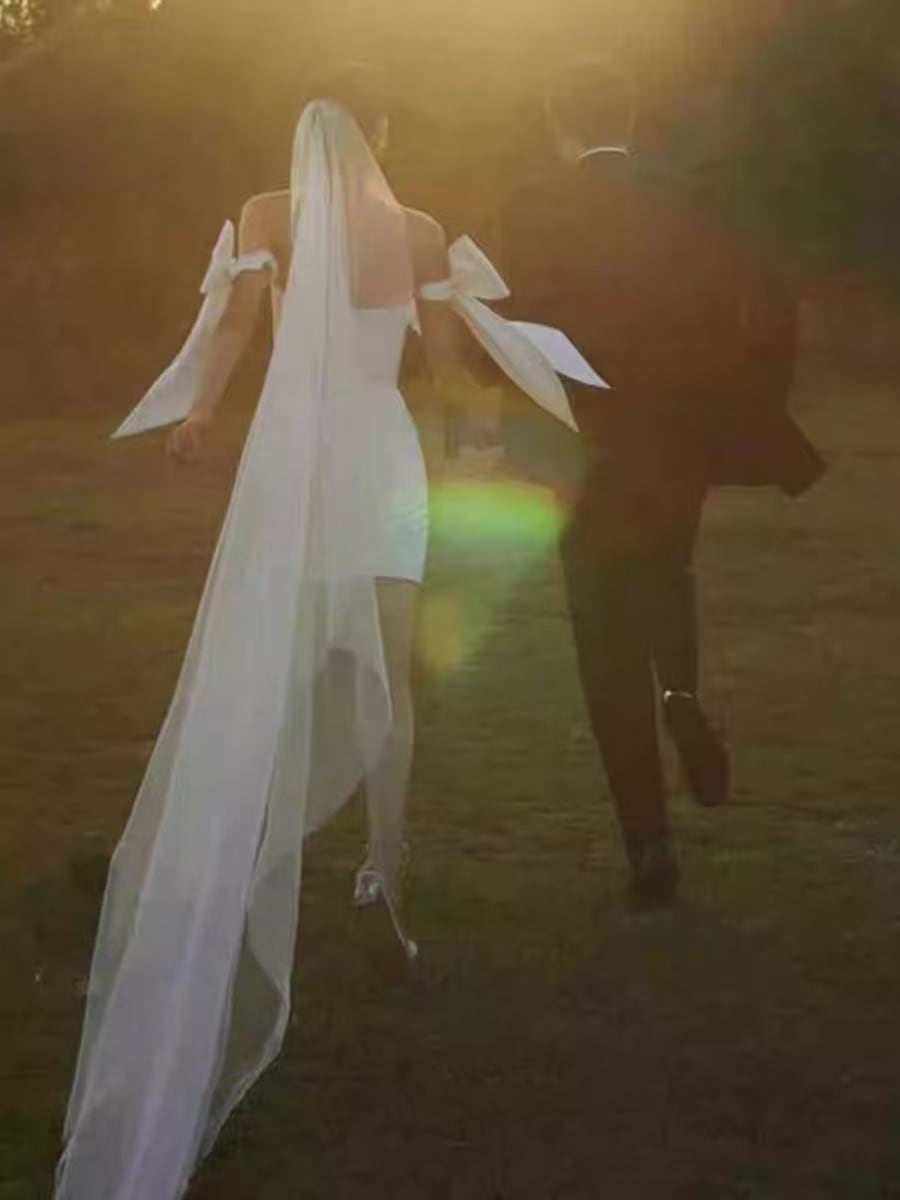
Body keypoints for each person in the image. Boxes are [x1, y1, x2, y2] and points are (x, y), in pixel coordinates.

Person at [56, 63, 599, 1200]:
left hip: (297, 464)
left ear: (303, 130)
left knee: (272, 661)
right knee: (390, 667)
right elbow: (443, 361)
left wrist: (205, 413)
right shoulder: (418, 229)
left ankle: (237, 850)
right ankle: (385, 874)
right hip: (382, 455)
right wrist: (478, 440)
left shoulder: (268, 215)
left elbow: (235, 328)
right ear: (381, 129)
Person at [499, 57, 825, 908]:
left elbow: (513, 330)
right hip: (678, 434)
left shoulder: (535, 205)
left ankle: (647, 842)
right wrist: (750, 402)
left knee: (602, 635)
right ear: (633, 117)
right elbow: (770, 302)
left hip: (583, 444)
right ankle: (680, 692)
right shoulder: (694, 198)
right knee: (668, 571)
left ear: (557, 121)